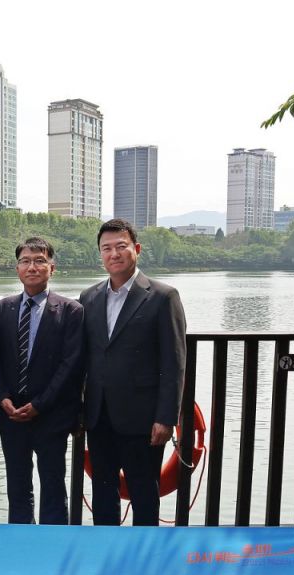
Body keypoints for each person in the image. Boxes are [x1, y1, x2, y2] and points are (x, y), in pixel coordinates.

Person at [80, 218, 187, 526]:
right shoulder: (89, 297)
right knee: (103, 491)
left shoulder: (163, 296)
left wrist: (166, 417)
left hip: (142, 418)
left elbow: (174, 362)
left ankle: (145, 549)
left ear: (136, 249)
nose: (114, 254)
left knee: (144, 492)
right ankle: (107, 546)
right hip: (98, 415)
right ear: (100, 254)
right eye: (106, 248)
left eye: (121, 246)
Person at [0, 237, 84, 524]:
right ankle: (21, 540)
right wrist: (1, 397)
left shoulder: (71, 310)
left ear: (52, 268)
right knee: (17, 486)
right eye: (25, 261)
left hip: (51, 415)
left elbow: (70, 365)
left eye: (40, 261)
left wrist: (40, 404)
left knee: (53, 485)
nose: (32, 267)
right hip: (11, 414)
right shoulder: (3, 308)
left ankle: (53, 542)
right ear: (17, 268)